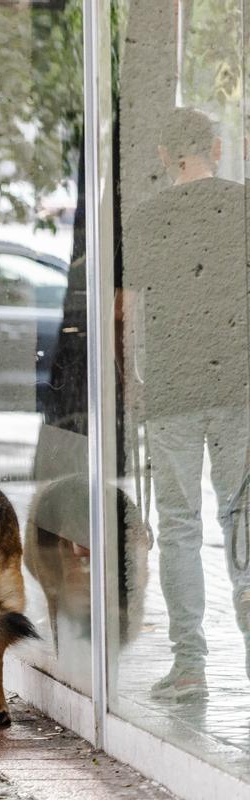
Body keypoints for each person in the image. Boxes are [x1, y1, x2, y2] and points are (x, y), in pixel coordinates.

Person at [123, 107, 250, 701]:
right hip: (238, 390)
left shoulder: (148, 218)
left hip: (172, 390)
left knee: (179, 528)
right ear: (216, 149)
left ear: (162, 156)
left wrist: (133, 380)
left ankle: (191, 665)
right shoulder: (243, 205)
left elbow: (125, 312)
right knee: (240, 516)